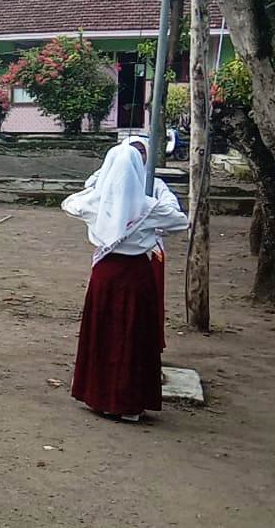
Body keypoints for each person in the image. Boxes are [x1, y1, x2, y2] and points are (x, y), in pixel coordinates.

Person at [62, 143, 189, 422]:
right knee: (132, 336)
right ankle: (128, 403)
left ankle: (98, 396)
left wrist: (99, 182)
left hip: (105, 276)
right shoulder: (148, 206)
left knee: (103, 334)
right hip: (135, 276)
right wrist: (160, 193)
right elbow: (180, 222)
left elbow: (70, 203)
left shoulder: (95, 202)